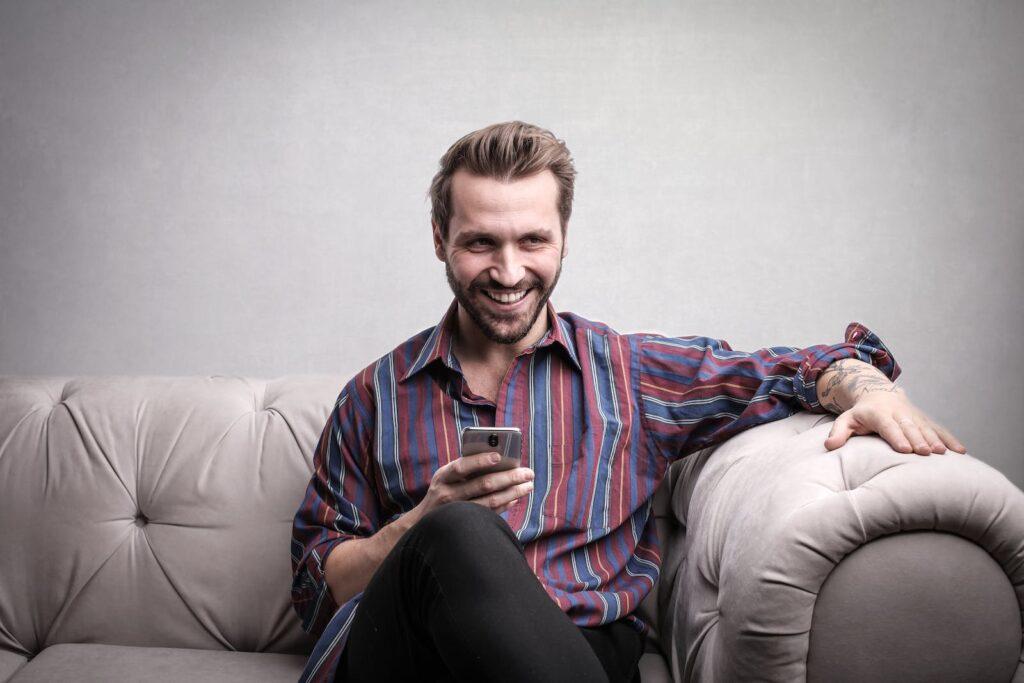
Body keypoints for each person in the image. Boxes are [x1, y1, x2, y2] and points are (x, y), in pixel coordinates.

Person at [290, 121, 965, 683]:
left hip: (577, 648)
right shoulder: (375, 396)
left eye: (532, 240)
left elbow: (787, 370)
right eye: (480, 242)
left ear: (563, 238)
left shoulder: (628, 373)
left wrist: (868, 388)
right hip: (411, 659)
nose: (509, 269)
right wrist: (423, 522)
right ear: (441, 239)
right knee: (457, 530)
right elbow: (317, 588)